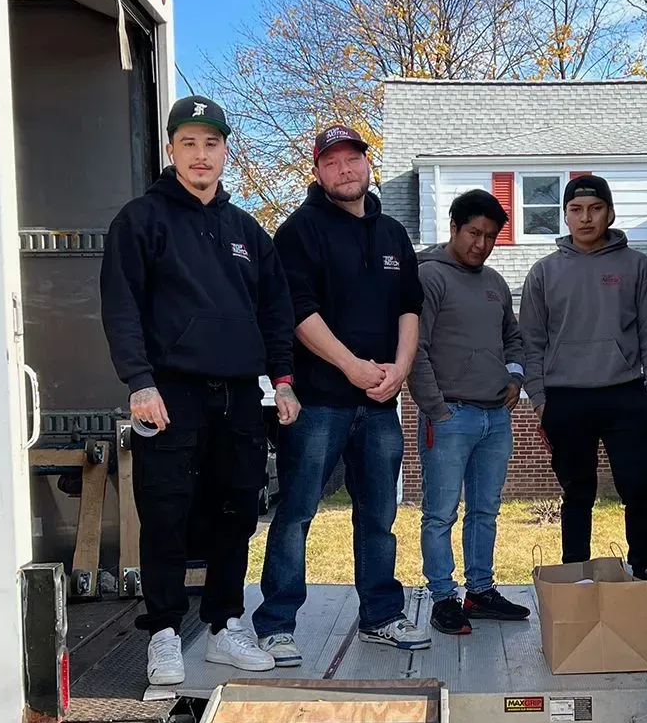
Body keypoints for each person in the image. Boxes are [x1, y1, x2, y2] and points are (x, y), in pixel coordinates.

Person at [100, 94, 298, 688]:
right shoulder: (141, 220)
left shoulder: (246, 232)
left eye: (211, 144)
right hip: (169, 393)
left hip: (239, 394)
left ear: (225, 151)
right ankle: (163, 631)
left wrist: (283, 381)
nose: (201, 154)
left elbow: (276, 312)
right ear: (170, 149)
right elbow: (121, 308)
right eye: (188, 143)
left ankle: (223, 626)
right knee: (165, 511)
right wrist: (139, 382)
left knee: (235, 513)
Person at [252, 125, 428, 661]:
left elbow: (409, 308)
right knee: (298, 512)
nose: (345, 170)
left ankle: (381, 614)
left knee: (378, 515)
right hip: (320, 402)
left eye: (353, 159)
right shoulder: (299, 232)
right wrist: (351, 367)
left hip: (379, 404)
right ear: (318, 172)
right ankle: (277, 621)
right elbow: (297, 312)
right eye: (333, 163)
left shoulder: (393, 234)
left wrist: (400, 369)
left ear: (368, 165)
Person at [520, 175, 647, 605]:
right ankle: (576, 575)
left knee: (638, 488)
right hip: (566, 398)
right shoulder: (544, 272)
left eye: (594, 209)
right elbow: (531, 340)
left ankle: (643, 570)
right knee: (577, 492)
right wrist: (539, 398)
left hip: (627, 395)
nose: (585, 218)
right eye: (576, 210)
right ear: (565, 216)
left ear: (610, 212)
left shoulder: (636, 267)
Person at [409, 188, 529, 636]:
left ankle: (480, 591)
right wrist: (436, 409)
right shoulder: (430, 278)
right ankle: (443, 596)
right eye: (474, 233)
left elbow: (514, 340)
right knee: (440, 513)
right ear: (454, 227)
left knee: (486, 510)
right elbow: (415, 350)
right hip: (450, 416)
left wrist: (515, 379)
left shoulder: (496, 284)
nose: (481, 244)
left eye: (490, 236)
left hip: (495, 418)